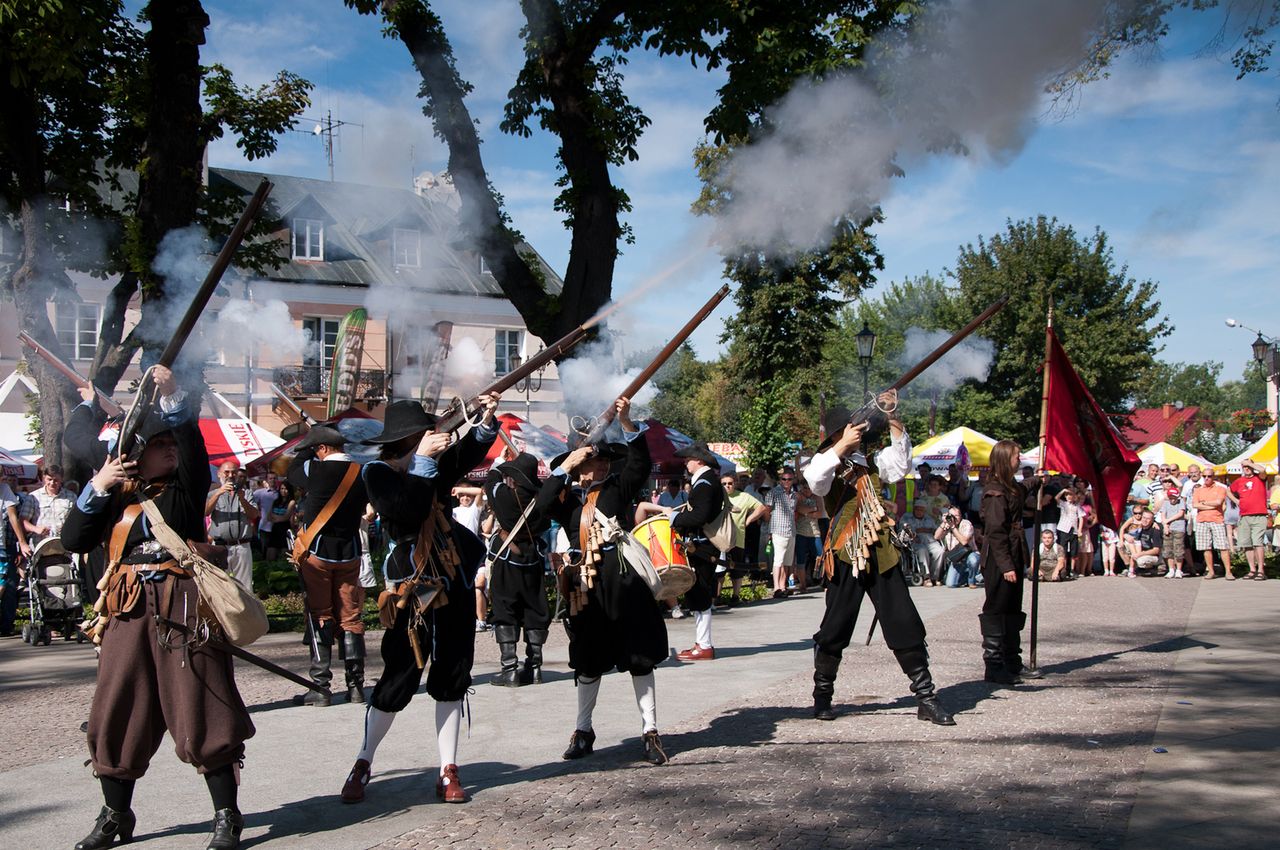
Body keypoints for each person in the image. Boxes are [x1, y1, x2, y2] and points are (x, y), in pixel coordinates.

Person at [60, 366, 254, 850]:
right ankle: (115, 816)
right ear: (135, 456)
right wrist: (99, 485)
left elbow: (190, 447)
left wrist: (173, 400)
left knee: (205, 709)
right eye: (158, 443)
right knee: (117, 711)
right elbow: (73, 539)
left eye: (170, 442)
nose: (169, 448)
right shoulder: (115, 497)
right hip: (127, 610)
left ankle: (227, 817)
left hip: (183, 604)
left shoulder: (184, 491)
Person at [340, 395, 499, 805]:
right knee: (399, 679)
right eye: (423, 434)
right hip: (410, 585)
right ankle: (363, 762)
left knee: (452, 676)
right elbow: (406, 510)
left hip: (453, 581)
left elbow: (466, 453)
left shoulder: (428, 464)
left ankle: (448, 769)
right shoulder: (377, 472)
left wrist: (484, 420)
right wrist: (425, 460)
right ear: (409, 438)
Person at [805, 395, 955, 726]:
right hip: (846, 551)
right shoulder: (826, 461)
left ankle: (926, 696)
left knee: (904, 620)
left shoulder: (870, 461)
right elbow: (815, 481)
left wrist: (893, 417)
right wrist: (841, 446)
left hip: (881, 550)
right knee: (836, 626)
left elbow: (901, 464)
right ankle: (822, 695)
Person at [539, 399, 670, 764]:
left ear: (604, 463)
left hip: (624, 585)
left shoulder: (617, 487)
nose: (587, 468)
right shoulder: (565, 499)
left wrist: (627, 421)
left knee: (640, 658)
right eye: (581, 462)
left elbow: (640, 464)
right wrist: (564, 468)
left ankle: (650, 731)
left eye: (591, 460)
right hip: (585, 587)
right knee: (587, 662)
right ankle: (583, 730)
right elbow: (541, 505)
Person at [288, 426, 370, 706]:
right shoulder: (362, 471)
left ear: (321, 449)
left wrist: (303, 444)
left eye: (316, 449)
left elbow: (291, 470)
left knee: (320, 614)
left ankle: (321, 687)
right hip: (350, 550)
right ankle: (356, 686)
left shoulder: (314, 468)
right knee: (350, 617)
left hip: (318, 552)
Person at [978, 439, 1044, 685]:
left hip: (1015, 552)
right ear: (1006, 460)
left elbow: (1020, 491)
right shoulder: (995, 491)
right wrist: (1006, 566)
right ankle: (994, 666)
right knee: (997, 610)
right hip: (998, 558)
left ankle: (1012, 662)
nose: (1020, 460)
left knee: (1013, 611)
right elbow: (995, 532)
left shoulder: (1010, 486)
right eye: (1017, 457)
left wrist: (1037, 480)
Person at [485, 452, 553, 686]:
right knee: (535, 609)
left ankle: (510, 670)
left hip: (507, 558)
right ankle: (535, 669)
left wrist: (496, 464)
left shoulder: (503, 495)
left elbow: (489, 482)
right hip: (532, 557)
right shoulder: (542, 499)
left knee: (505, 609)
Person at [668, 441, 727, 661]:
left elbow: (699, 517)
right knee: (697, 594)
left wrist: (674, 518)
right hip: (702, 544)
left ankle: (704, 645)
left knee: (700, 594)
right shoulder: (707, 481)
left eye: (688, 459)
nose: (686, 462)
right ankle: (701, 643)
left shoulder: (703, 484)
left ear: (699, 461)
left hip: (702, 545)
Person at [205, 461, 260, 591]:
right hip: (220, 546)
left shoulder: (246, 494)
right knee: (219, 586)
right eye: (227, 472)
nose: (230, 475)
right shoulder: (212, 494)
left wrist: (242, 499)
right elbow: (205, 512)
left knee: (245, 587)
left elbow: (254, 514)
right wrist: (219, 493)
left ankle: (245, 611)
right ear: (219, 474)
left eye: (234, 472)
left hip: (241, 545)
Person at [718, 472, 768, 605]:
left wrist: (748, 520)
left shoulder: (744, 496)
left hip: (737, 539)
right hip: (719, 539)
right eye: (724, 484)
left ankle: (735, 596)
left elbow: (762, 508)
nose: (727, 486)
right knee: (719, 570)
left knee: (737, 569)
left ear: (735, 483)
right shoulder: (716, 497)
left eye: (730, 483)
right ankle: (716, 596)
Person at [1230, 460, 1270, 580]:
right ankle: (1252, 569)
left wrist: (1250, 463)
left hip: (1259, 514)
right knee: (1246, 543)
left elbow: (1263, 470)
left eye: (1248, 466)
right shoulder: (1240, 481)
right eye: (1244, 467)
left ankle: (1261, 570)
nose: (1246, 468)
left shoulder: (1259, 478)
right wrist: (1236, 501)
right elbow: (1228, 490)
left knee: (1257, 542)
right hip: (1245, 515)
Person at [763, 467, 799, 598]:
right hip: (778, 530)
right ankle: (777, 587)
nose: (787, 481)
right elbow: (766, 510)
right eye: (784, 479)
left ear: (793, 479)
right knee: (778, 560)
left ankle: (783, 586)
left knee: (787, 561)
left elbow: (794, 512)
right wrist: (769, 528)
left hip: (791, 530)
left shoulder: (795, 495)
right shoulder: (773, 492)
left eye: (789, 479)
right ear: (780, 480)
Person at [1192, 471, 1233, 580]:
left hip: (1217, 520)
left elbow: (1219, 502)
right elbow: (1195, 505)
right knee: (1206, 548)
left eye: (1209, 476)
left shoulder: (1220, 489)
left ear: (1213, 477)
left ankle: (1228, 571)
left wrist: (1204, 504)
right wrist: (1210, 505)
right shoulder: (1198, 490)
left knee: (1223, 547)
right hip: (1201, 520)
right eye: (1204, 476)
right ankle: (1211, 571)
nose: (1206, 478)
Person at [26, 464, 76, 543]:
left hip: (62, 543)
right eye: (49, 479)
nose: (52, 483)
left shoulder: (71, 497)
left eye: (56, 480)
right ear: (44, 478)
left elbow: (75, 520)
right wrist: (36, 529)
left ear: (61, 479)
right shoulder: (33, 497)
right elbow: (23, 521)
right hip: (40, 543)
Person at [938, 506, 980, 588]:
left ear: (960, 516)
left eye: (956, 515)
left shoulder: (966, 524)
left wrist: (953, 527)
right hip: (957, 558)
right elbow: (936, 536)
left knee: (973, 561)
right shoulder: (947, 524)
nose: (954, 518)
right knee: (951, 584)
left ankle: (972, 581)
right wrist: (943, 522)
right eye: (951, 515)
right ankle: (976, 575)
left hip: (969, 554)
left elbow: (964, 542)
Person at [793, 480, 823, 592]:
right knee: (801, 559)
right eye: (805, 488)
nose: (807, 490)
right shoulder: (798, 496)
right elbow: (799, 509)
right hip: (801, 532)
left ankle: (823, 581)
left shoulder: (817, 497)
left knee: (820, 556)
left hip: (815, 532)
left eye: (809, 488)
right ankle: (803, 584)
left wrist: (806, 512)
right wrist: (812, 510)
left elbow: (820, 514)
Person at [908, 501, 944, 587]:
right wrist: (915, 533)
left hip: (930, 540)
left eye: (922, 510)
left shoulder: (929, 518)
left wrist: (925, 530)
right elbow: (904, 530)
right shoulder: (907, 518)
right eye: (918, 509)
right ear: (914, 509)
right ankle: (926, 577)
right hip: (916, 540)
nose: (919, 512)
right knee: (922, 550)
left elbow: (935, 530)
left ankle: (935, 577)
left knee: (940, 551)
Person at [1119, 511, 1164, 578]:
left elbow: (1156, 550)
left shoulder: (1155, 529)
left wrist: (1140, 554)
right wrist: (1125, 535)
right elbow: (1124, 530)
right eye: (1144, 517)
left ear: (1152, 520)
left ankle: (1151, 568)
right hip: (1138, 549)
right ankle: (1130, 568)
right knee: (1120, 546)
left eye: (1148, 519)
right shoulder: (1139, 527)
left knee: (1140, 561)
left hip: (1152, 555)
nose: (1145, 520)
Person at [1157, 486, 1187, 579]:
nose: (1172, 500)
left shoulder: (1181, 502)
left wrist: (1168, 521)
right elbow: (1162, 515)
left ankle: (1178, 570)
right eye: (1171, 498)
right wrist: (1165, 525)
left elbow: (1180, 514)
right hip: (1168, 529)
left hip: (1178, 528)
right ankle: (1171, 569)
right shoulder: (1165, 503)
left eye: (1174, 498)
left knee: (1178, 549)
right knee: (1168, 550)